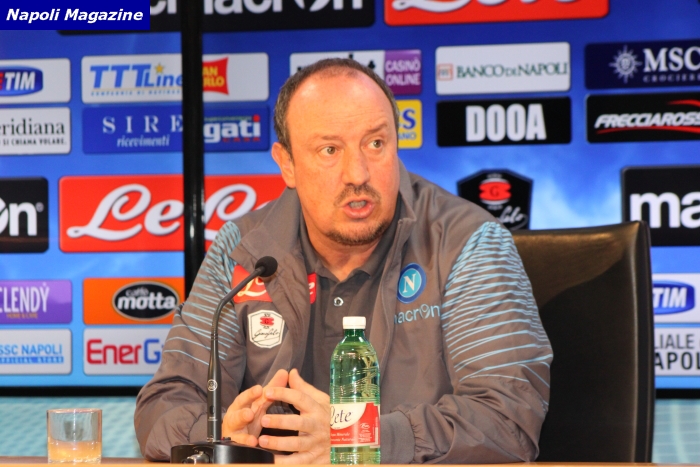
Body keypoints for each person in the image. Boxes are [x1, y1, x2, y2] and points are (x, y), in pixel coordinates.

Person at [134, 58, 553, 464]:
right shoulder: (243, 250)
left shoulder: (467, 242)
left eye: (375, 143)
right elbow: (164, 403)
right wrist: (222, 436)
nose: (358, 173)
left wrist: (358, 439)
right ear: (287, 164)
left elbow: (509, 418)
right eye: (330, 149)